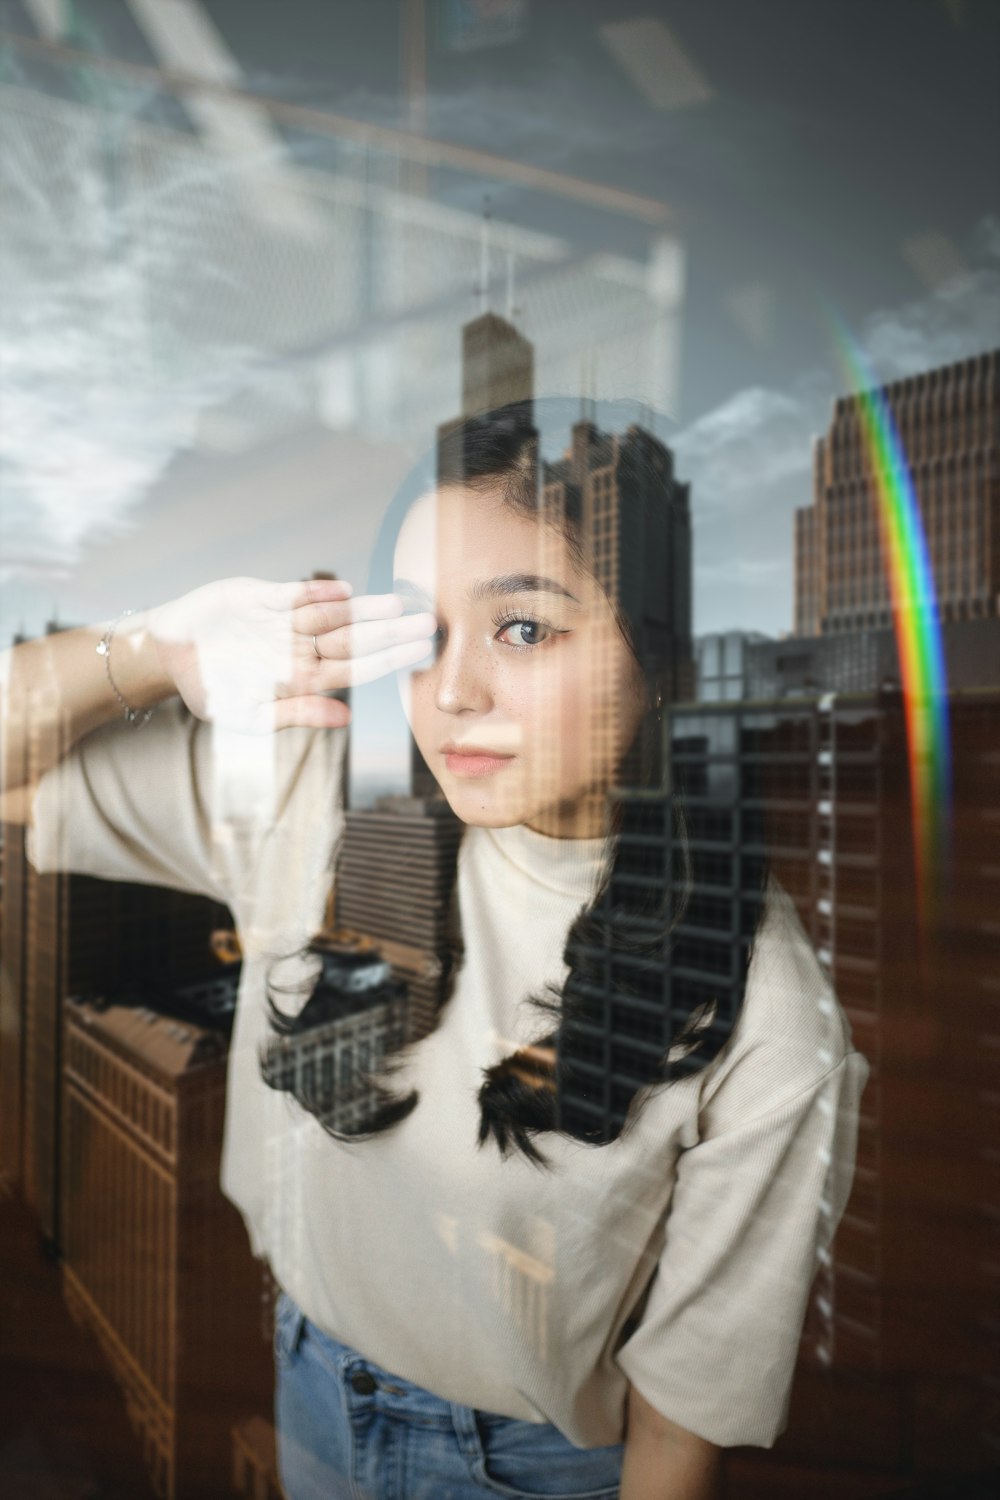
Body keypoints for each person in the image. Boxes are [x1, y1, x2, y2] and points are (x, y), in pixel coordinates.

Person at [4, 400, 867, 1500]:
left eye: (522, 628)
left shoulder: (763, 1008)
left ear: (662, 656)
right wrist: (159, 646)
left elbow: (680, 1414)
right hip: (307, 1378)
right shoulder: (322, 795)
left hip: (520, 1471)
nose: (449, 691)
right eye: (424, 632)